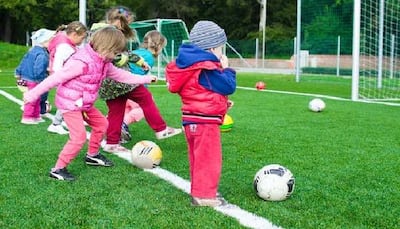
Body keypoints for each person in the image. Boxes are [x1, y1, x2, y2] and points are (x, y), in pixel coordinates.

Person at [23, 27, 157, 181]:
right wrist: (33, 94)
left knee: (102, 125)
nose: (117, 56)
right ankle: (58, 169)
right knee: (78, 137)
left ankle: (92, 155)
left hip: (84, 103)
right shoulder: (81, 62)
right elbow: (55, 78)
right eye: (115, 52)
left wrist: (145, 79)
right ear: (105, 48)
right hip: (70, 104)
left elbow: (121, 75)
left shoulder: (104, 62)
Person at [165, 21, 236, 207]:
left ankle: (200, 190)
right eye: (221, 49)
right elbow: (228, 85)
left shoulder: (190, 66)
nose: (222, 53)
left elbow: (202, 93)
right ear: (212, 48)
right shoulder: (205, 68)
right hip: (205, 123)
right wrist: (227, 68)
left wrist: (223, 104)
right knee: (209, 159)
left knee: (198, 158)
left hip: (192, 119)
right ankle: (204, 196)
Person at [94, 6, 181, 154]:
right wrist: (125, 62)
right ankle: (161, 129)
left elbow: (125, 53)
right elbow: (115, 56)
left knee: (117, 111)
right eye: (128, 22)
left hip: (107, 83)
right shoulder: (112, 35)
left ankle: (111, 143)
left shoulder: (102, 33)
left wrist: (139, 61)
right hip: (121, 80)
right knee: (146, 98)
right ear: (122, 21)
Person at [119, 30, 168, 143]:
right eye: (162, 47)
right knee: (145, 106)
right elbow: (136, 74)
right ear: (158, 45)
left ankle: (115, 128)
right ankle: (123, 124)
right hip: (131, 86)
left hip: (120, 84)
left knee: (126, 108)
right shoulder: (149, 57)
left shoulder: (138, 51)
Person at [46, 21, 88, 135]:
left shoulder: (68, 44)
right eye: (82, 38)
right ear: (74, 35)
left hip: (66, 77)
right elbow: (57, 65)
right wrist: (62, 79)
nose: (82, 41)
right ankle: (55, 124)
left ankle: (74, 120)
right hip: (64, 78)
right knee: (68, 101)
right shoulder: (65, 46)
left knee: (75, 99)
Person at [16, 28, 55, 124]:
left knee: (36, 98)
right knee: (33, 99)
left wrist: (18, 72)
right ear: (45, 41)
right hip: (34, 80)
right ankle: (27, 117)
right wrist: (41, 80)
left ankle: (36, 115)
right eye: (51, 41)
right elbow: (39, 69)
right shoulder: (42, 54)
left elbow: (23, 62)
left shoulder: (32, 50)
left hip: (27, 77)